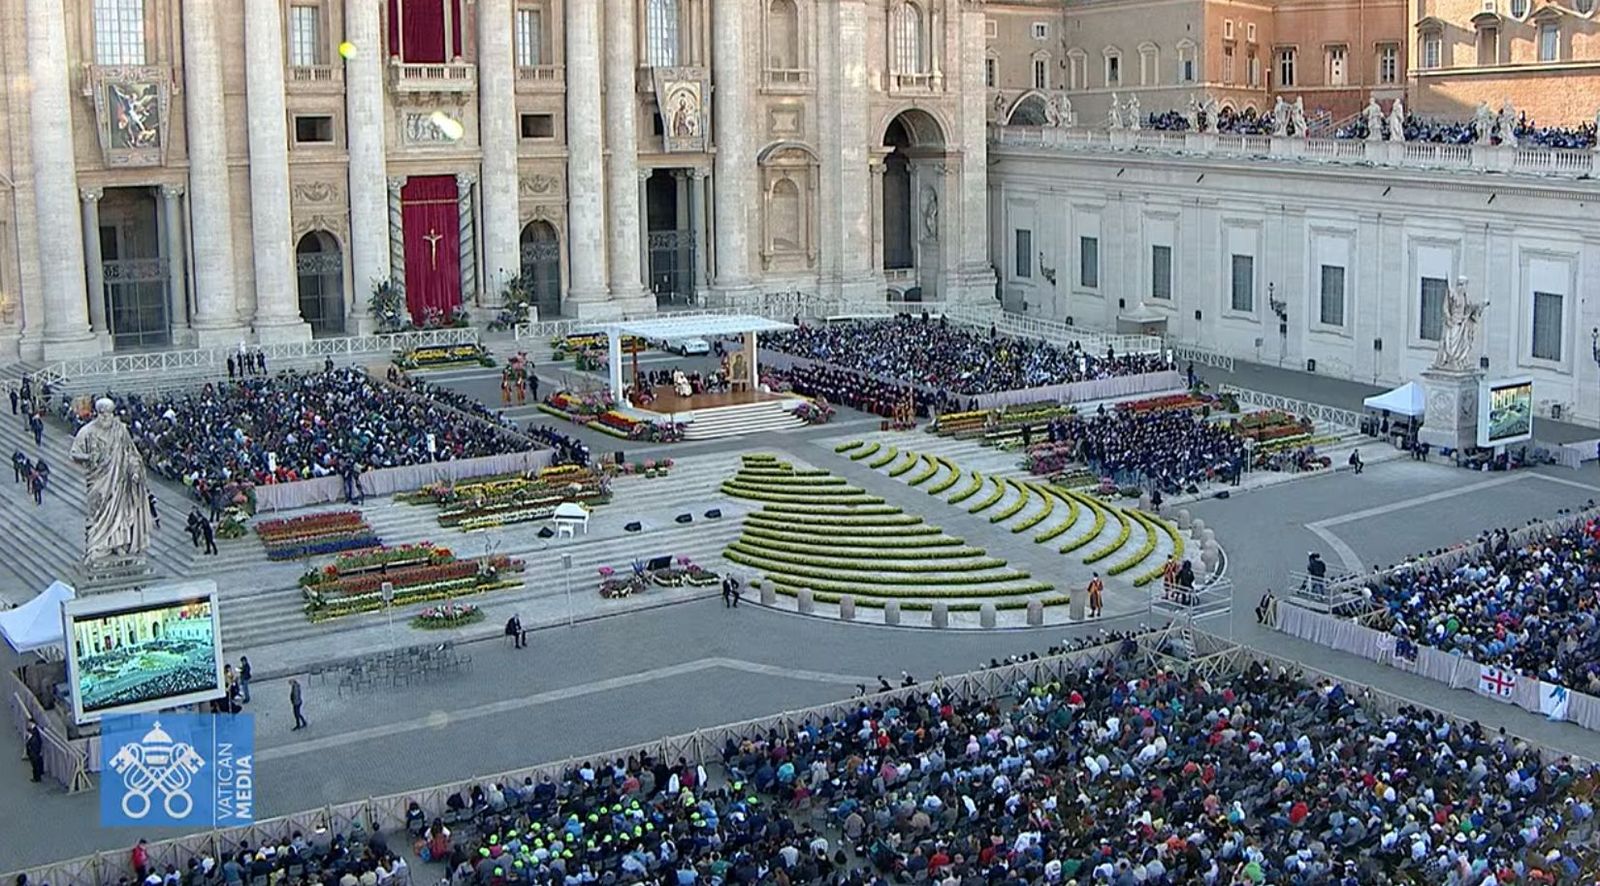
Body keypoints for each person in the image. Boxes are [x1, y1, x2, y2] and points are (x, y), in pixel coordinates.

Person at [24, 718, 43, 782]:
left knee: (35, 765)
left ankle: (37, 778)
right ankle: (36, 777)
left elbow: (35, 742)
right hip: (33, 752)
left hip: (34, 752)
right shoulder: (33, 731)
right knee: (34, 765)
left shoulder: (34, 732)